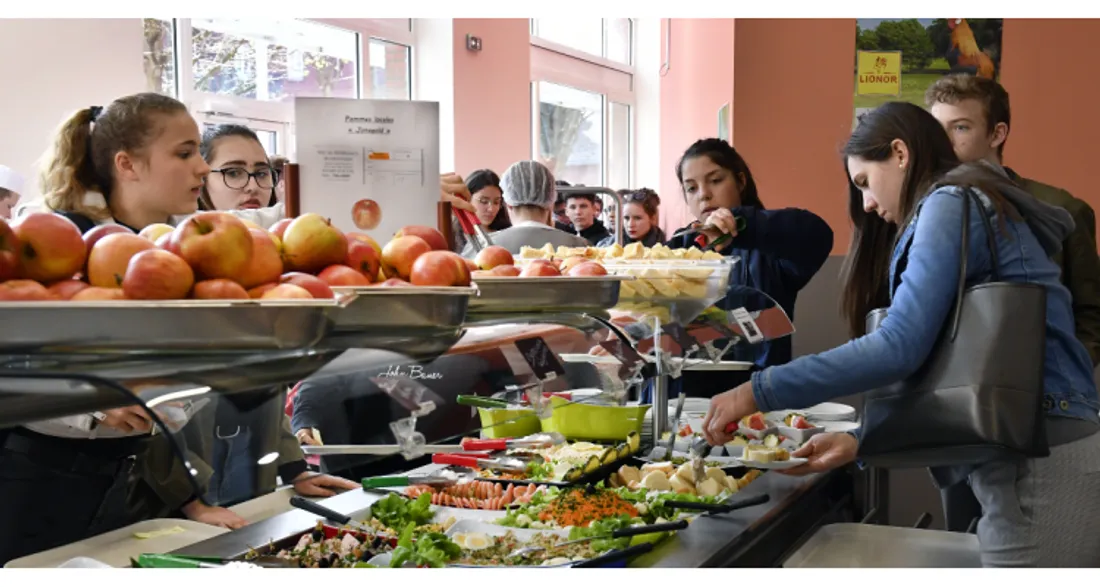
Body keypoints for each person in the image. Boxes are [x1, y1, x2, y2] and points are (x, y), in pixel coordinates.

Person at [703, 102, 1100, 567]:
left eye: (865, 183)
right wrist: (862, 441)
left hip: (1042, 466)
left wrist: (760, 390)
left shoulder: (950, 201)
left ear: (899, 153)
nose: (867, 204)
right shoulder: (975, 198)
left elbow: (899, 347)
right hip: (1037, 453)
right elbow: (949, 369)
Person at [0, 94, 230, 564]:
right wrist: (90, 399)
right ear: (127, 164)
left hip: (126, 483)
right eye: (184, 153)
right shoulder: (53, 243)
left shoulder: (179, 255)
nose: (203, 168)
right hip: (36, 484)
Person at [925, 74, 1100, 535]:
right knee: (962, 538)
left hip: (1044, 409)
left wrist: (1057, 371)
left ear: (997, 133)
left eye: (960, 127)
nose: (945, 142)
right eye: (936, 128)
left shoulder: (1058, 208)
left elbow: (1092, 311)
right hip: (958, 408)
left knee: (1038, 542)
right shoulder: (930, 210)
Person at [665, 138, 833, 398]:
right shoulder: (680, 247)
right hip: (685, 399)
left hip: (755, 397)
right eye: (691, 188)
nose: (704, 194)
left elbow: (818, 234)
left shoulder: (770, 247)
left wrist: (742, 225)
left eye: (716, 180)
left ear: (741, 181)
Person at [460, 161, 588, 257]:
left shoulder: (480, 247)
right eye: (483, 201)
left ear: (508, 202)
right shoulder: (581, 247)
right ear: (551, 201)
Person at [450, 168, 511, 252]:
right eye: (484, 201)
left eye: (496, 202)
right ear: (466, 199)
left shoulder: (507, 236)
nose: (491, 209)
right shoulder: (450, 236)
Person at [597, 188, 666, 248]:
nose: (630, 224)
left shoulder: (663, 248)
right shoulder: (607, 246)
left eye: (637, 218)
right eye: (626, 218)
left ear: (652, 219)